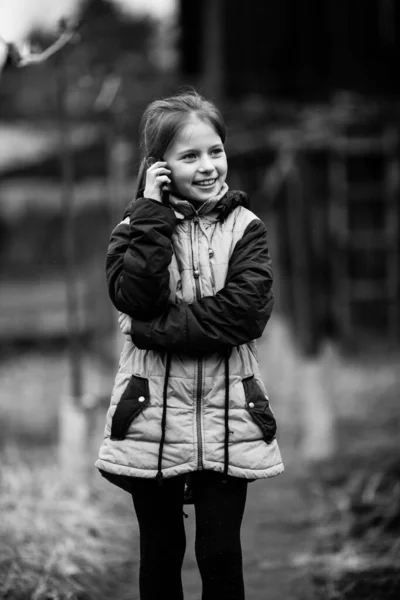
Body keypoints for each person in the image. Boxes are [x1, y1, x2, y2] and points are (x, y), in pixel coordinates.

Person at [95, 90, 284, 600]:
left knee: (221, 555)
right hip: (150, 414)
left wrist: (149, 330)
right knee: (160, 553)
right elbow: (138, 295)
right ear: (159, 167)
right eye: (189, 156)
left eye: (215, 151)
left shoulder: (248, 231)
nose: (207, 166)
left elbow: (242, 317)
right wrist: (153, 218)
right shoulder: (132, 232)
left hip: (230, 416)